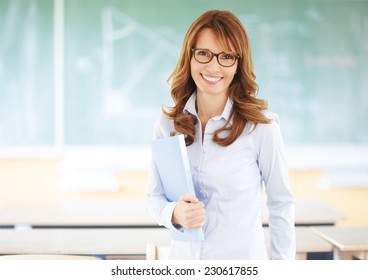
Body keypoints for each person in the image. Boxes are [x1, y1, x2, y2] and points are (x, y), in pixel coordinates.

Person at [147, 9, 295, 260]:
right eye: (203, 53)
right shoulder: (168, 125)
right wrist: (174, 214)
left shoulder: (261, 127)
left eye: (226, 56)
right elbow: (155, 198)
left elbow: (281, 204)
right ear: (189, 57)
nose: (213, 66)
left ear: (238, 64)